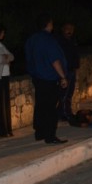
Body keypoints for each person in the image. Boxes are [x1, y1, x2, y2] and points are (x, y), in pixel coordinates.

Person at [25, 13, 69, 144]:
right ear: (48, 24)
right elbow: (54, 60)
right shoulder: (48, 40)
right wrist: (63, 77)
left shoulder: (31, 39)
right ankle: (50, 136)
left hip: (37, 77)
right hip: (49, 79)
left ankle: (39, 132)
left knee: (41, 105)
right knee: (51, 107)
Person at [54, 22, 80, 121]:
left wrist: (76, 68)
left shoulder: (73, 40)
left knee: (69, 93)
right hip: (64, 71)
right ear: (63, 29)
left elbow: (75, 55)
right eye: (67, 28)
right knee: (64, 94)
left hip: (72, 69)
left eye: (71, 29)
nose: (70, 31)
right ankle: (65, 113)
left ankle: (64, 112)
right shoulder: (60, 41)